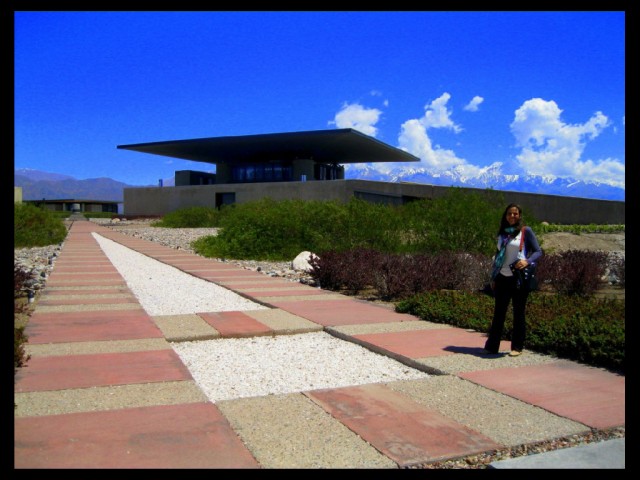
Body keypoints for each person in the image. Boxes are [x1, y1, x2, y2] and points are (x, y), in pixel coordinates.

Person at [484, 203, 542, 356]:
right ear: (505, 216)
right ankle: (492, 345)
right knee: (499, 312)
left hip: (518, 277)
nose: (512, 216)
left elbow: (538, 251)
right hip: (502, 276)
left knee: (518, 312)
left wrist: (527, 261)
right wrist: (494, 275)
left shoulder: (525, 231)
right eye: (509, 213)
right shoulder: (503, 233)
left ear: (519, 216)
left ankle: (517, 347)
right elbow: (498, 254)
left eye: (515, 214)